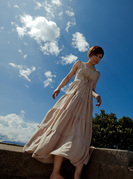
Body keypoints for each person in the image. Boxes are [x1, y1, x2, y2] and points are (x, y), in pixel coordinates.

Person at [23, 46, 104, 179]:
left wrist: (97, 96)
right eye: (96, 55)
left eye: (100, 57)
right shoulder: (79, 64)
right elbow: (68, 77)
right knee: (63, 128)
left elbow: (92, 89)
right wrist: (58, 88)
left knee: (78, 133)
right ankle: (56, 173)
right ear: (90, 54)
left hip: (85, 104)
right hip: (72, 97)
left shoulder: (97, 73)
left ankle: (75, 175)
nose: (97, 59)